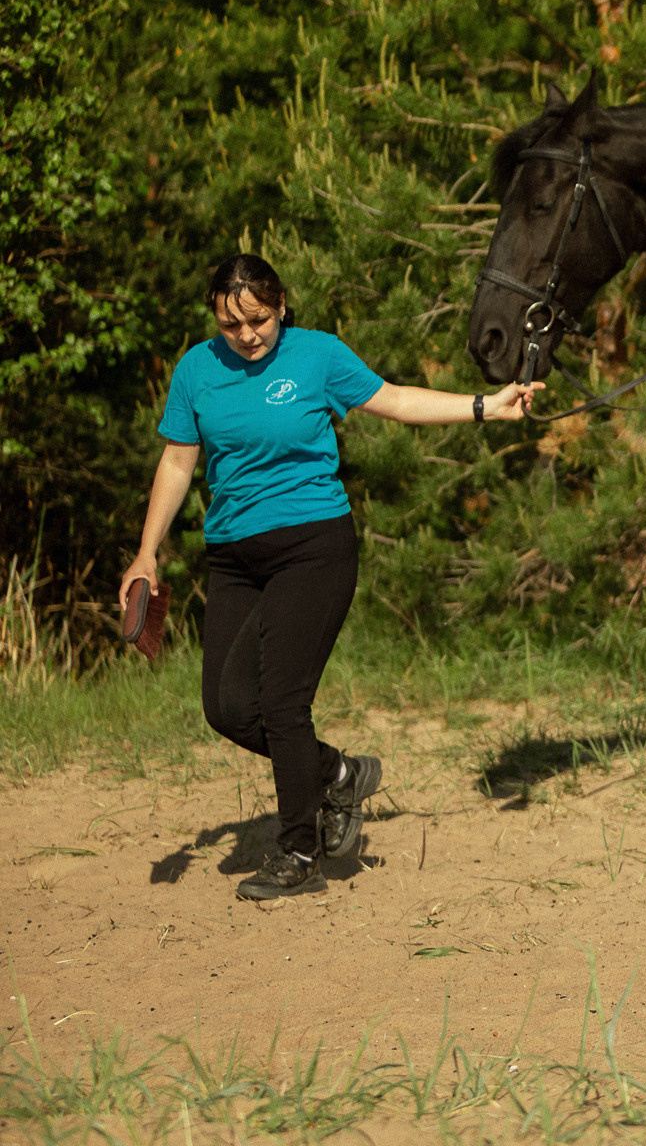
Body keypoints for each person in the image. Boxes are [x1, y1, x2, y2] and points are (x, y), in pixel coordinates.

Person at [118, 254, 545, 901]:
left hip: (313, 547)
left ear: (281, 305)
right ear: (215, 318)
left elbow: (396, 400)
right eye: (232, 324)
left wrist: (490, 406)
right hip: (233, 557)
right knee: (228, 708)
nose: (249, 334)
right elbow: (178, 462)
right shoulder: (196, 371)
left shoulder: (317, 355)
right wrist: (146, 552)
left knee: (282, 702)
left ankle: (297, 849)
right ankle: (340, 773)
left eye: (259, 319)